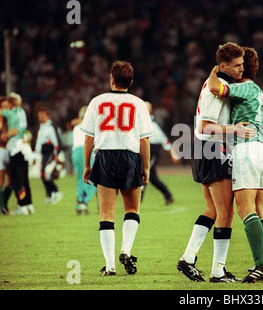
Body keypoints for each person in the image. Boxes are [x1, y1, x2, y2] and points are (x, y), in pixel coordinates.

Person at [177, 42, 254, 283]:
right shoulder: (216, 88)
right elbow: (204, 126)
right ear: (223, 66)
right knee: (226, 212)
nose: (242, 69)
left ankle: (189, 258)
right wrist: (235, 130)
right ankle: (217, 271)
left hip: (205, 149)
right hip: (212, 149)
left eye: (242, 64)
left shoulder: (217, 82)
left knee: (212, 209)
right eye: (237, 65)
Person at [81, 60, 153, 276]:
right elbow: (144, 140)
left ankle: (110, 265)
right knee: (132, 209)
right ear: (130, 82)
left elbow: (88, 137)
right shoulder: (139, 103)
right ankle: (126, 250)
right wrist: (146, 167)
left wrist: (87, 165)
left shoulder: (97, 101)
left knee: (106, 214)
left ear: (111, 79)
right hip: (130, 157)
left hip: (105, 156)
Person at [209, 46, 263, 283]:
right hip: (262, 149)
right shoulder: (260, 92)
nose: (238, 68)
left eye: (240, 65)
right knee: (258, 208)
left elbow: (215, 87)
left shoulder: (243, 87)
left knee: (244, 209)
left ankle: (261, 263)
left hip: (246, 149)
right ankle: (261, 260)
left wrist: (217, 68)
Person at [0, 95, 33, 215]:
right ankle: (29, 205)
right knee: (24, 180)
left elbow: (14, 130)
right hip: (23, 149)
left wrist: (7, 134)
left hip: (15, 150)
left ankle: (22, 205)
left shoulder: (11, 113)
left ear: (10, 104)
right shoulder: (22, 112)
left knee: (17, 181)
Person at [140, 101, 174, 206]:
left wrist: (172, 153)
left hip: (152, 151)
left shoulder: (153, 124)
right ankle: (168, 196)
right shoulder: (140, 123)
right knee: (152, 177)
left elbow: (164, 139)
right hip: (142, 150)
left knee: (143, 174)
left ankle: (137, 201)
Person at [35, 108, 63, 205]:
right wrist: (36, 154)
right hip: (44, 153)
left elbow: (56, 140)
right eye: (39, 116)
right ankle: (49, 195)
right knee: (42, 174)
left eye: (42, 115)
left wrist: (56, 154)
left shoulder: (51, 126)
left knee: (45, 173)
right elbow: (39, 142)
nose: (40, 117)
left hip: (50, 152)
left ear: (48, 116)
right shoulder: (41, 126)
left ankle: (56, 191)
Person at [72, 106, 97, 215]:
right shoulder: (90, 127)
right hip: (85, 152)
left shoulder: (77, 127)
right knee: (93, 180)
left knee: (81, 180)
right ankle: (82, 201)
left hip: (76, 153)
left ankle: (80, 203)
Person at [0, 97, 12, 215]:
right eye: (3, 107)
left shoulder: (11, 119)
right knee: (1, 180)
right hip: (1, 150)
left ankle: (4, 204)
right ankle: (2, 207)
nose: (6, 109)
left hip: (9, 150)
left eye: (7, 106)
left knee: (11, 181)